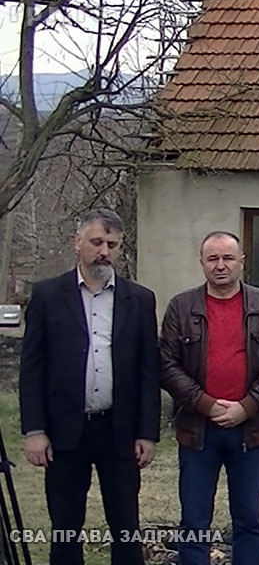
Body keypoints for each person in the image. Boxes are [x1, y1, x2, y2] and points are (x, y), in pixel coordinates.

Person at [19, 208, 160, 565]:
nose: (104, 251)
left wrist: (147, 433)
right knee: (66, 526)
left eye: (112, 244)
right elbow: (32, 368)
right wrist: (35, 430)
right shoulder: (48, 295)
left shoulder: (139, 299)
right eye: (96, 242)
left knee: (125, 525)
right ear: (77, 242)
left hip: (119, 429)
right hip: (65, 430)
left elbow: (148, 370)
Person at [159, 231, 259, 565]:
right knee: (194, 520)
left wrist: (246, 407)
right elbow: (166, 366)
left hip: (250, 431)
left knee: (248, 519)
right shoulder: (181, 307)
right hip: (197, 430)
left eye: (228, 258)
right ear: (202, 263)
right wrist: (206, 404)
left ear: (241, 262)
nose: (220, 265)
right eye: (213, 259)